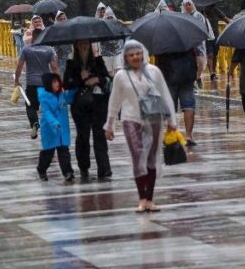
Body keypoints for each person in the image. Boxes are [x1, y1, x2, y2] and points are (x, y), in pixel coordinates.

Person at [105, 40, 177, 213]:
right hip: (131, 119)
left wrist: (172, 121)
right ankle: (142, 199)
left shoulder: (154, 72)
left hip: (154, 119)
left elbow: (166, 95)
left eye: (138, 53)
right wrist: (109, 124)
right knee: (137, 155)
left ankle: (150, 199)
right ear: (125, 58)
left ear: (143, 54)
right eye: (131, 55)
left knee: (151, 157)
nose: (135, 57)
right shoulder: (121, 76)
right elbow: (114, 101)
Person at [64, 39, 112, 181]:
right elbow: (66, 84)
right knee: (83, 136)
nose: (84, 46)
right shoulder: (71, 64)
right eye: (81, 44)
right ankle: (84, 167)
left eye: (86, 43)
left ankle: (104, 168)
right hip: (80, 106)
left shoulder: (98, 61)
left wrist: (96, 79)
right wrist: (80, 78)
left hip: (98, 104)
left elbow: (107, 79)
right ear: (76, 46)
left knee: (99, 136)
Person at [15, 29, 59, 139]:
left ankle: (34, 123)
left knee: (31, 107)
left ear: (33, 37)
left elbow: (19, 66)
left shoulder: (26, 49)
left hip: (32, 84)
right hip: (46, 84)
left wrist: (16, 80)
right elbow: (54, 68)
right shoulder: (49, 50)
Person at [155, 48, 198, 146]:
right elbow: (196, 57)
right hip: (187, 76)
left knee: (170, 107)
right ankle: (189, 136)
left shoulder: (162, 42)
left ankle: (171, 134)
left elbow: (158, 62)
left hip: (169, 76)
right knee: (189, 106)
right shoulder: (187, 40)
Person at [37, 73, 76, 182]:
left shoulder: (62, 94)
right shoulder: (44, 97)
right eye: (54, 82)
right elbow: (47, 113)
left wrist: (76, 86)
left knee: (64, 151)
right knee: (48, 153)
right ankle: (42, 170)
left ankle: (68, 172)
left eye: (57, 81)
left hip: (62, 130)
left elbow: (71, 96)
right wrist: (54, 123)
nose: (57, 84)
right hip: (50, 130)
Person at [181, 0, 214, 90]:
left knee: (201, 63)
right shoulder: (182, 16)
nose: (187, 6)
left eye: (189, 4)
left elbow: (200, 28)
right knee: (191, 64)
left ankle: (198, 77)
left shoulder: (198, 15)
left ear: (192, 5)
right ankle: (193, 81)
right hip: (187, 45)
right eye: (185, 5)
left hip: (198, 43)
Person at [203, 6, 230, 81]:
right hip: (207, 37)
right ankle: (211, 73)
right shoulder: (202, 12)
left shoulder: (216, 10)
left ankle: (213, 72)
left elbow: (226, 19)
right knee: (210, 55)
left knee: (215, 54)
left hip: (216, 36)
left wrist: (233, 23)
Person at [100, 7, 124, 76]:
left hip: (117, 54)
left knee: (118, 73)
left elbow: (120, 41)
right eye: (108, 17)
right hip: (106, 55)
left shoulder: (117, 27)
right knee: (109, 74)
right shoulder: (102, 28)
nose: (109, 19)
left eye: (111, 17)